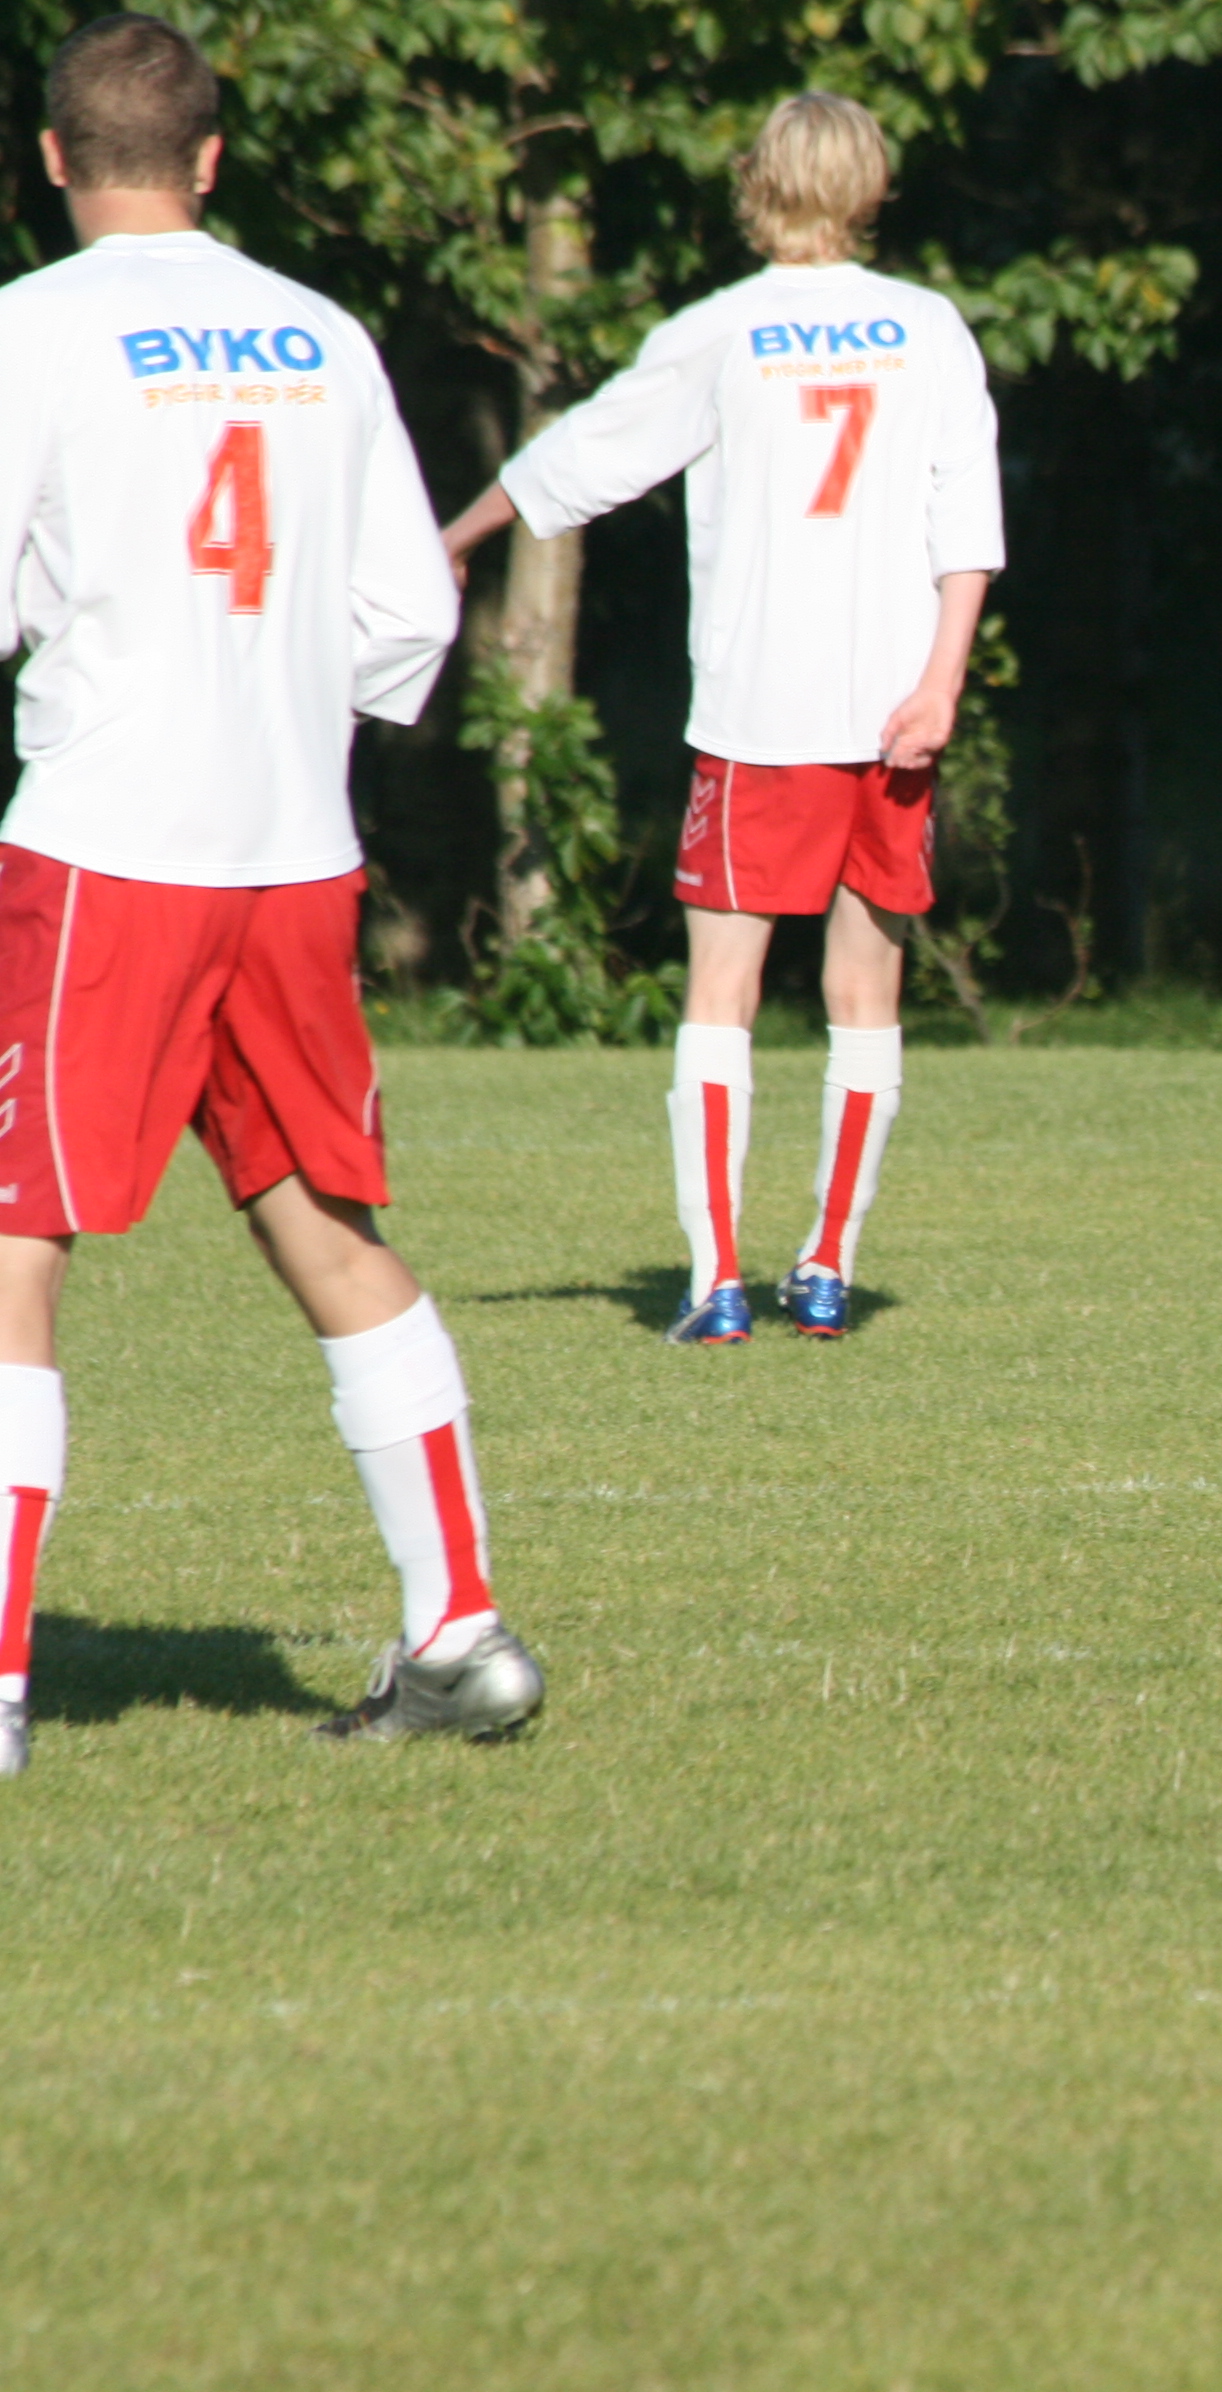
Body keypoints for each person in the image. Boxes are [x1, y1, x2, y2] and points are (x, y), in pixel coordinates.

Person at [0, 13, 538, 1769]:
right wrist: (279, 708)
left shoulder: (31, 328)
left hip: (106, 847)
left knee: (14, 1243)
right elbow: (408, 615)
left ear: (55, 157)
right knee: (324, 1220)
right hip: (293, 852)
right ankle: (456, 1629)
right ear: (213, 158)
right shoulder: (322, 333)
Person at [442, 93, 1001, 1341]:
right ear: (871, 187)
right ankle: (828, 1267)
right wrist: (943, 683)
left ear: (758, 185)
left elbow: (589, 453)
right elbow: (968, 525)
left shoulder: (724, 330)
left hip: (760, 713)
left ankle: (717, 1284)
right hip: (893, 712)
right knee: (866, 991)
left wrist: (460, 535)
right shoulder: (929, 327)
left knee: (721, 992)